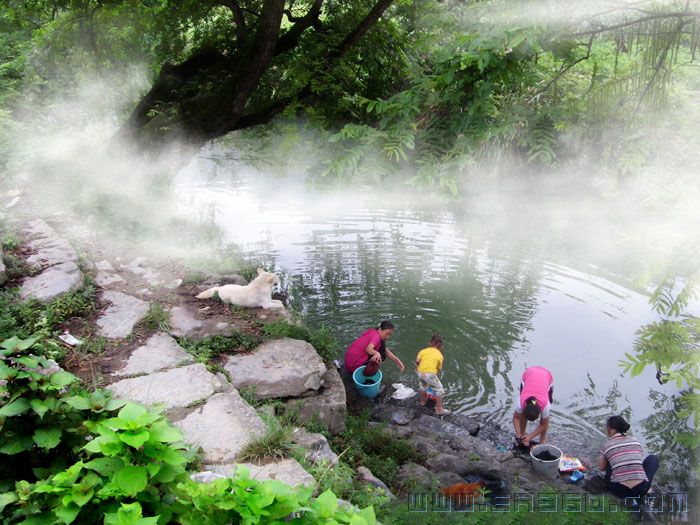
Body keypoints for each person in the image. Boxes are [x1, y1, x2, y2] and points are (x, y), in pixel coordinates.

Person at [598, 415, 659, 501]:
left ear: (612, 430)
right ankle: (648, 489)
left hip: (618, 491)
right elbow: (638, 460)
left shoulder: (606, 446)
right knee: (653, 458)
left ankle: (612, 486)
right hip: (641, 490)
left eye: (606, 428)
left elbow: (601, 468)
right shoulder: (635, 441)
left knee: (609, 458)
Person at [512, 365, 553, 446]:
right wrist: (518, 433)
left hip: (546, 376)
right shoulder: (521, 402)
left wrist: (530, 437)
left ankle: (542, 441)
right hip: (528, 374)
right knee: (521, 430)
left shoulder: (545, 405)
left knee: (545, 419)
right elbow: (516, 417)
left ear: (540, 410)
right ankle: (522, 434)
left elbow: (544, 424)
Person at [416, 333, 450, 415]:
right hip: (430, 374)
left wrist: (420, 368)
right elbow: (438, 369)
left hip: (420, 372)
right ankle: (439, 409)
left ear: (430, 343)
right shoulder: (440, 355)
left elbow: (417, 361)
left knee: (423, 386)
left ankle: (422, 402)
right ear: (441, 346)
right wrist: (434, 378)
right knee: (439, 389)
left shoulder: (423, 351)